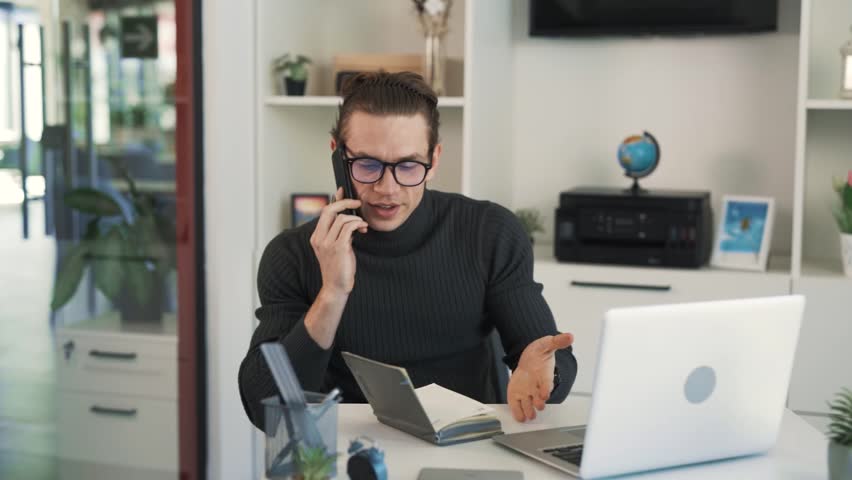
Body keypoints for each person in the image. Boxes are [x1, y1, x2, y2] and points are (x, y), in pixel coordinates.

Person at [238, 71, 576, 430]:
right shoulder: (292, 255)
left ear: (435, 159)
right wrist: (333, 292)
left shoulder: (489, 233)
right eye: (367, 165)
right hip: (356, 452)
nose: (388, 188)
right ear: (338, 155)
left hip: (471, 448)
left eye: (409, 166)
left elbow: (548, 358)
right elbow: (265, 408)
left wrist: (543, 374)